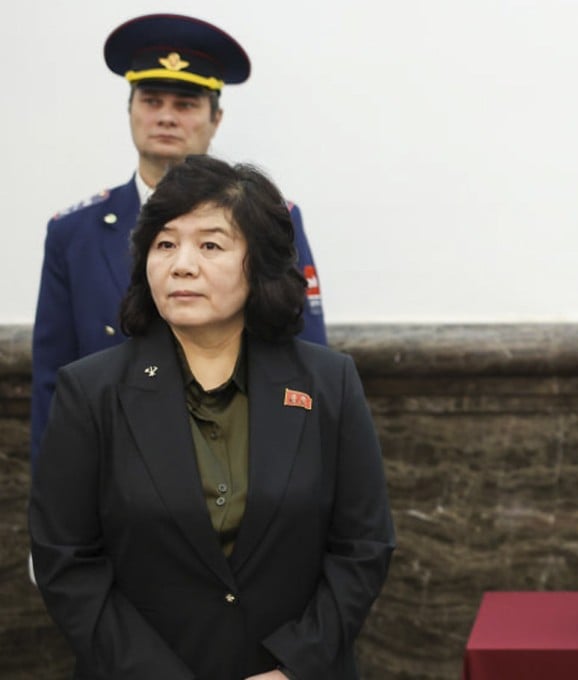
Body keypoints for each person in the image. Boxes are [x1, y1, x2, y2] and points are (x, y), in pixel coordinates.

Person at [29, 155, 394, 679]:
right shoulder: (90, 392)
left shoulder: (326, 383)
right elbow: (67, 562)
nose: (181, 264)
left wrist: (294, 666)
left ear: (260, 263)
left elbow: (363, 547)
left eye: (210, 245)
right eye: (165, 244)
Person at [30, 13, 327, 469]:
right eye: (151, 100)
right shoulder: (74, 234)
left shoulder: (271, 221)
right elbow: (53, 380)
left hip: (237, 465)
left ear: (216, 118)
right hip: (111, 469)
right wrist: (49, 517)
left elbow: (305, 359)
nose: (166, 116)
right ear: (130, 110)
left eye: (186, 103)